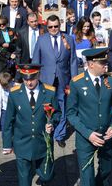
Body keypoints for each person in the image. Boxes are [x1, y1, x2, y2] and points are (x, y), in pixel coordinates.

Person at [66, 48, 112, 186]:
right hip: (86, 137)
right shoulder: (77, 82)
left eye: (105, 62)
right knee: (87, 176)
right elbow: (71, 113)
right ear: (91, 64)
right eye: (102, 63)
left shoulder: (111, 81)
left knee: (107, 168)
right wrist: (88, 134)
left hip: (106, 135)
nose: (105, 65)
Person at [2, 64, 61, 186]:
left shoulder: (49, 92)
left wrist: (52, 123)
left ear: (38, 75)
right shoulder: (15, 94)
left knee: (46, 175)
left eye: (32, 79)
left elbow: (57, 113)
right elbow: (8, 121)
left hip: (43, 142)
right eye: (25, 79)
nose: (29, 83)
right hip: (22, 143)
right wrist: (7, 144)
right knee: (24, 179)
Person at [32, 15, 78, 147]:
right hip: (46, 79)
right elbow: (36, 61)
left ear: (60, 26)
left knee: (62, 105)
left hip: (63, 78)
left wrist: (73, 80)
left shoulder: (68, 39)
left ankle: (60, 134)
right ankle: (46, 131)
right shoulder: (41, 40)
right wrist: (35, 79)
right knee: (46, 106)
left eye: (56, 26)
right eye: (50, 27)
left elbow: (73, 60)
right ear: (47, 27)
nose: (53, 29)